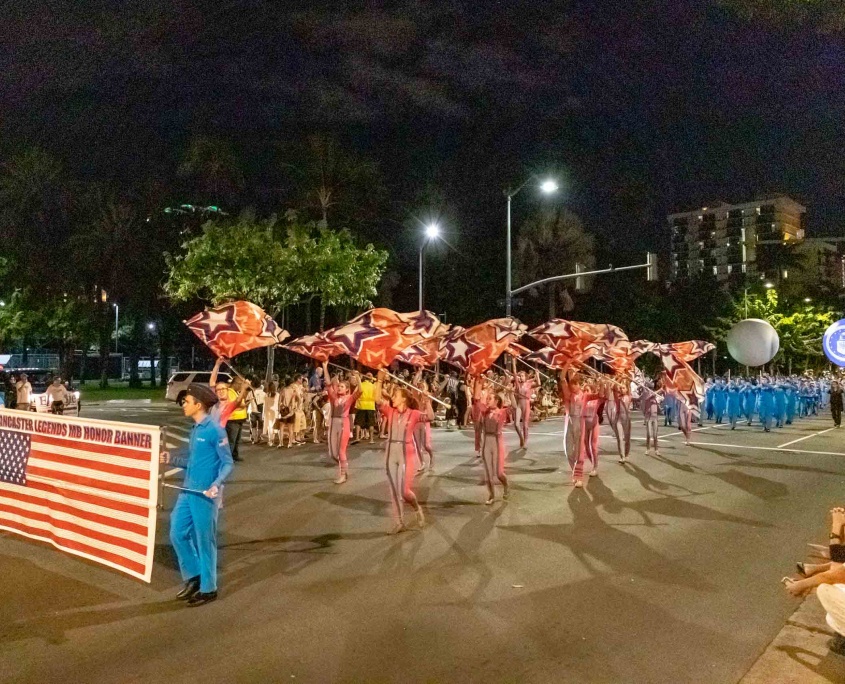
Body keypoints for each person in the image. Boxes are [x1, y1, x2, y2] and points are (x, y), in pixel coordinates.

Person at [160, 383, 233, 607]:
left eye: (187, 401)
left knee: (205, 541)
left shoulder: (215, 430)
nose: (184, 404)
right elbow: (194, 462)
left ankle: (208, 588)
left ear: (199, 405)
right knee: (177, 533)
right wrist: (171, 459)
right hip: (187, 490)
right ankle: (194, 577)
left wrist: (216, 485)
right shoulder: (195, 429)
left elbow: (227, 463)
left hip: (204, 495)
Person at [374, 369, 427, 533]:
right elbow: (377, 400)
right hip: (391, 452)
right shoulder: (390, 411)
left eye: (395, 395)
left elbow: (430, 416)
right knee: (393, 490)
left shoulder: (414, 413)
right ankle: (399, 522)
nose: (392, 397)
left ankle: (416, 507)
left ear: (403, 399)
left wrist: (428, 400)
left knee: (404, 491)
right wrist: (379, 380)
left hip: (407, 453)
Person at [323, 361, 361, 484]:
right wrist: (325, 367)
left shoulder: (349, 398)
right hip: (333, 424)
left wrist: (358, 377)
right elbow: (329, 384)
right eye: (338, 386)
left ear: (347, 390)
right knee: (333, 454)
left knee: (341, 451)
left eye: (342, 387)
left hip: (343, 424)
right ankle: (344, 466)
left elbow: (359, 391)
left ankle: (343, 474)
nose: (339, 388)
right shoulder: (334, 397)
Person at [473, 376, 510, 504]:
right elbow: (476, 399)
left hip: (497, 441)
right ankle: (492, 495)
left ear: (496, 401)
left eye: (490, 399)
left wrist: (510, 393)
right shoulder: (484, 411)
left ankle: (505, 485)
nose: (487, 400)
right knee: (488, 473)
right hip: (487, 442)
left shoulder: (502, 412)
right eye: (487, 398)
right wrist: (479, 382)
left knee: (499, 473)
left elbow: (514, 406)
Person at [511, 358, 539, 449]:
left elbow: (538, 383)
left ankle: (525, 441)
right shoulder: (518, 384)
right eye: (520, 376)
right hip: (519, 403)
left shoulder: (529, 383)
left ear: (526, 377)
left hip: (526, 404)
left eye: (522, 376)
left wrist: (537, 374)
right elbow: (514, 372)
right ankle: (521, 438)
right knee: (516, 424)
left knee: (525, 425)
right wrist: (513, 362)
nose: (521, 377)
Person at [354, 373, 377, 444]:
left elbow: (355, 393)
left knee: (358, 422)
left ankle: (357, 438)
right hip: (370, 406)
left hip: (361, 405)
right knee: (371, 424)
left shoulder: (361, 385)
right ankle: (371, 439)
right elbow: (376, 396)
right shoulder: (373, 386)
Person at [263, 382, 280, 446]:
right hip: (275, 411)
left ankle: (270, 441)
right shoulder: (277, 394)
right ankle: (272, 440)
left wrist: (263, 413)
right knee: (274, 426)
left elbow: (265, 405)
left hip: (268, 412)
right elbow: (278, 404)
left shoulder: (266, 395)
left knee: (269, 426)